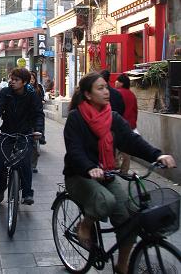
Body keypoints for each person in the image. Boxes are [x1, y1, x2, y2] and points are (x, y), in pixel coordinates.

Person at [64, 72, 176, 274]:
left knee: (129, 217)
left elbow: (132, 141)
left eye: (106, 87)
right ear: (88, 95)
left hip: (106, 174)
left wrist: (157, 155)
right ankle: (85, 224)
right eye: (100, 88)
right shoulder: (75, 118)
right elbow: (75, 150)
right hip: (78, 176)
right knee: (106, 201)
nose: (106, 91)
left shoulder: (112, 117)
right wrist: (89, 167)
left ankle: (122, 265)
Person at [0, 67, 44, 205]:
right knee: (1, 163)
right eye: (11, 79)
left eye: (16, 80)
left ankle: (27, 194)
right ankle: (1, 188)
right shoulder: (5, 92)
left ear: (24, 82)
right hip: (7, 132)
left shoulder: (32, 95)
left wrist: (38, 130)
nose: (12, 82)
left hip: (25, 133)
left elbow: (38, 114)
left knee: (25, 163)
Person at [115, 73, 138, 173]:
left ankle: (114, 165)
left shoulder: (116, 93)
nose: (116, 82)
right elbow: (135, 110)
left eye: (118, 80)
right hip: (130, 124)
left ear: (122, 83)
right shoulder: (132, 94)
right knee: (126, 151)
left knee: (114, 146)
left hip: (119, 125)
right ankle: (124, 171)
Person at [29, 71, 46, 173]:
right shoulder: (22, 90)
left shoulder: (37, 89)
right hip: (24, 121)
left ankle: (33, 165)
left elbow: (41, 98)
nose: (31, 80)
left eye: (33, 79)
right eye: (29, 79)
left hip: (35, 118)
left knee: (35, 146)